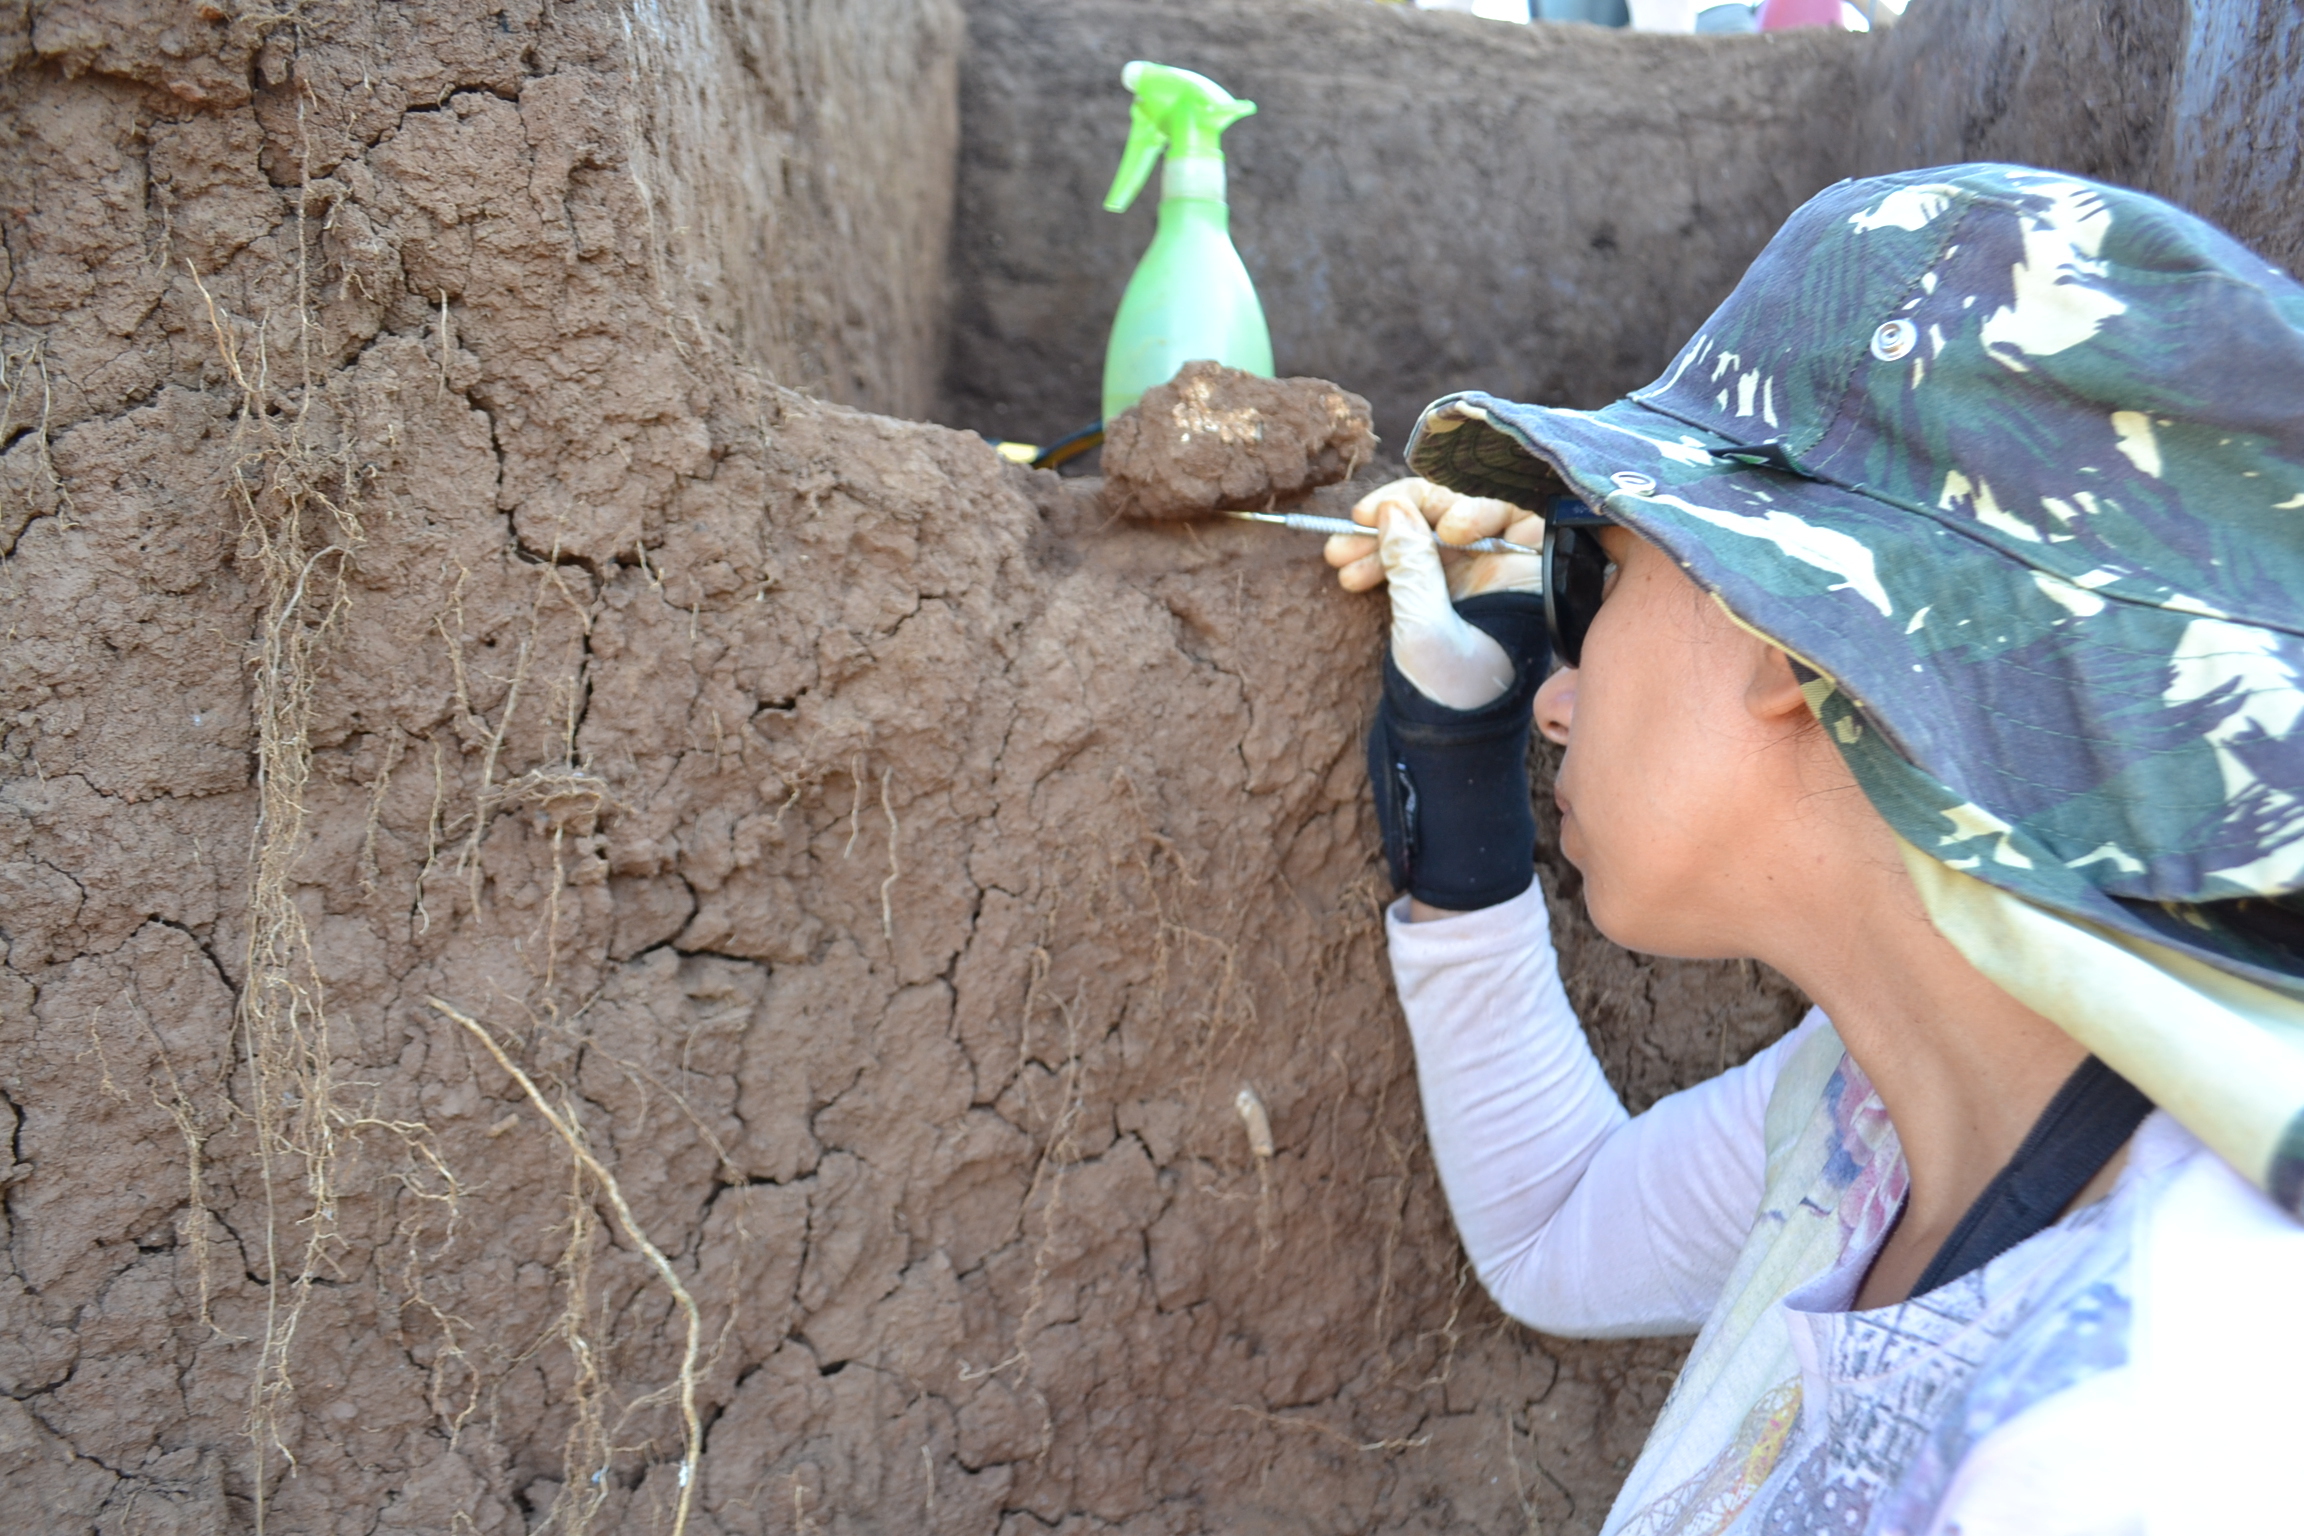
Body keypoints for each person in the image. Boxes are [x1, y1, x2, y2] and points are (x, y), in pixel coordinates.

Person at [1324, 164, 2304, 1533]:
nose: (1556, 693)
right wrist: (1456, 766)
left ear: (1794, 630)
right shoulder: (1874, 1107)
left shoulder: (2151, 1435)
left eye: (1595, 574)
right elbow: (1558, 1229)